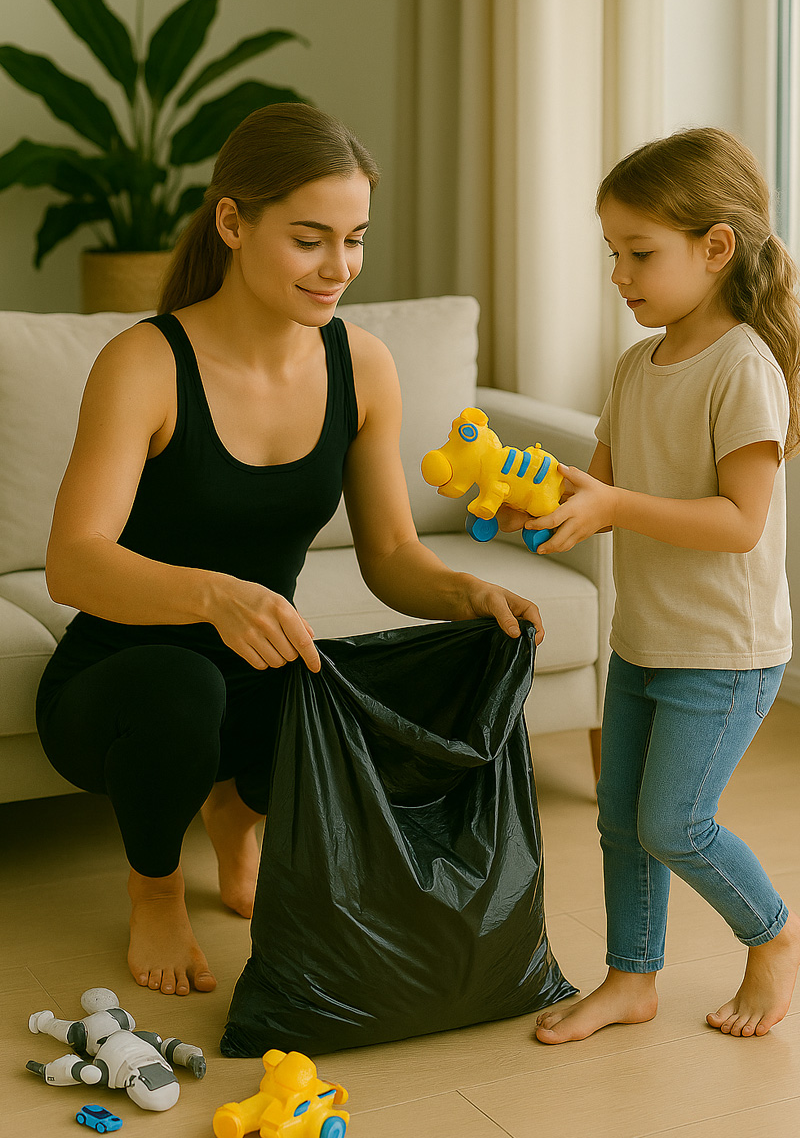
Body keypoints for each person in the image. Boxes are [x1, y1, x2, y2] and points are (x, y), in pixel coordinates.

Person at [36, 103, 544, 997]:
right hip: (122, 687)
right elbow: (73, 562)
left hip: (262, 668)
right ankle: (155, 888)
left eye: (355, 239)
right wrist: (213, 596)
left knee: (350, 681)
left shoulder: (364, 365)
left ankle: (237, 812)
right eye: (310, 239)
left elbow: (389, 553)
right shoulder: (146, 363)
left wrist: (468, 593)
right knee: (184, 687)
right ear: (233, 222)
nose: (339, 268)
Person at [502, 127, 800, 1041]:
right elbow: (595, 485)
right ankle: (632, 980)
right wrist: (525, 501)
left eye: (641, 253)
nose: (621, 274)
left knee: (675, 823)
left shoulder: (743, 366)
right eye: (612, 255)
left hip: (725, 648)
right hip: (646, 637)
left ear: (716, 248)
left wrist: (614, 507)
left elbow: (737, 521)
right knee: (621, 823)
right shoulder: (638, 364)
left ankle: (775, 936)